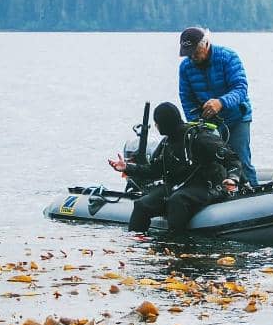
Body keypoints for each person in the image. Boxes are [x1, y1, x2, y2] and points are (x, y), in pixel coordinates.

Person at [108, 102, 242, 234]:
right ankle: (136, 241)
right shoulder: (166, 143)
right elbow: (154, 170)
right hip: (179, 186)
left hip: (207, 186)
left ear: (164, 123)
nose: (156, 126)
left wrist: (233, 178)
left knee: (177, 201)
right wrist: (127, 167)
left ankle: (176, 243)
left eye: (157, 122)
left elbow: (232, 158)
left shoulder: (200, 138)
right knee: (142, 205)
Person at [177, 27, 257, 185]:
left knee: (242, 162)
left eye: (195, 52)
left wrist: (221, 102)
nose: (192, 57)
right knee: (215, 165)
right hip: (209, 123)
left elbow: (241, 88)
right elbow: (186, 99)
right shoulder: (185, 67)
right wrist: (196, 124)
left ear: (205, 44)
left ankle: (255, 192)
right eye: (188, 54)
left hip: (237, 118)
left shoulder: (228, 57)